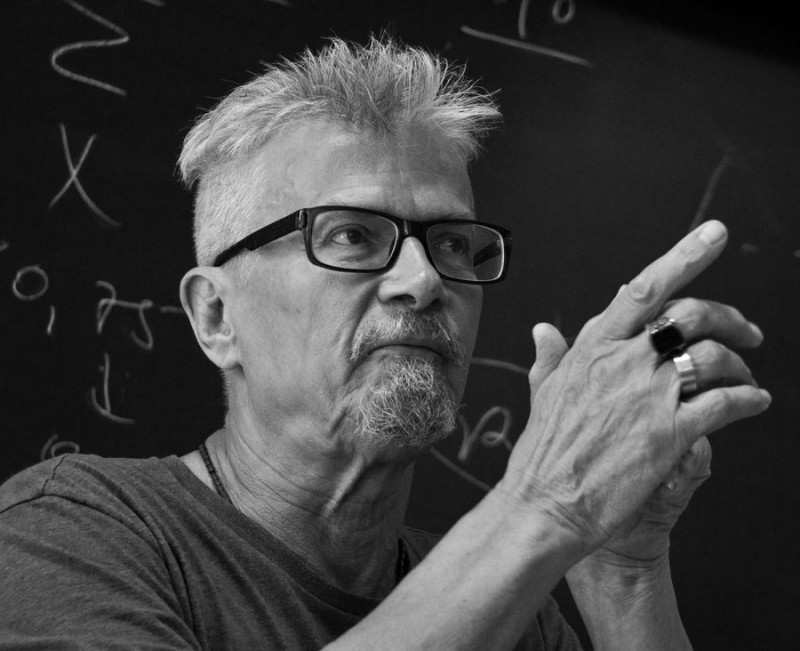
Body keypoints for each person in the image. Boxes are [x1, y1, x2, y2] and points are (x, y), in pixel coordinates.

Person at [0, 36, 770, 649]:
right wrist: (549, 498)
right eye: (352, 235)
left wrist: (622, 566)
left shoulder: (515, 614)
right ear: (216, 316)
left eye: (454, 243)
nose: (424, 281)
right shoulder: (70, 533)